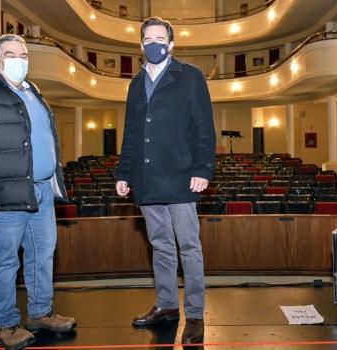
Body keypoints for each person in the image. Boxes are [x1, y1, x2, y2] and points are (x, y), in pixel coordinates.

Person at [0, 34, 75, 350]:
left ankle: (40, 313)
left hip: (41, 192)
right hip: (5, 194)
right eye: (10, 54)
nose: (19, 59)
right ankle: (7, 324)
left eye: (24, 55)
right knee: (5, 260)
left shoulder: (34, 93)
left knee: (42, 254)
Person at [116, 17, 216, 345]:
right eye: (148, 39)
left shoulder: (190, 77)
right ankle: (168, 306)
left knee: (188, 247)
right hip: (147, 180)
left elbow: (204, 127)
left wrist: (203, 169)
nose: (154, 43)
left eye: (160, 38)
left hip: (182, 178)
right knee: (160, 246)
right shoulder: (135, 83)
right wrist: (124, 172)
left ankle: (196, 314)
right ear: (141, 45)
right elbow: (131, 133)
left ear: (171, 44)